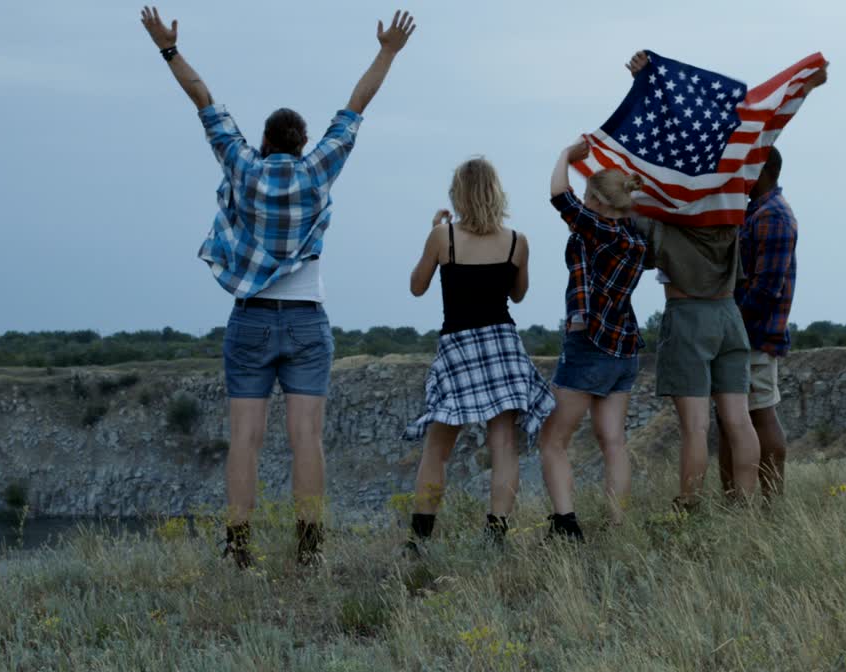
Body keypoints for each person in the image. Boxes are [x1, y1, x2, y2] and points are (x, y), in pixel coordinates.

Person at [139, 6, 416, 568]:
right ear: (303, 141)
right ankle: (309, 550)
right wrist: (387, 51)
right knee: (305, 438)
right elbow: (356, 106)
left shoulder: (242, 166)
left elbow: (204, 101)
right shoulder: (319, 170)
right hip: (308, 319)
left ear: (265, 140)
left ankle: (238, 548)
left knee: (245, 438)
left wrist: (167, 48)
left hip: (252, 319)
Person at [622, 51, 761, 509]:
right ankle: (745, 504)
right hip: (729, 315)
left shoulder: (668, 214)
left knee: (695, 427)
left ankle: (690, 509)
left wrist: (645, 88)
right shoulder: (730, 202)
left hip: (688, 317)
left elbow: (628, 191)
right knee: (739, 420)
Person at [403, 158, 554, 551]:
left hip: (459, 346)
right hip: (502, 345)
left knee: (438, 446)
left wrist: (433, 231)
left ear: (459, 194)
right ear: (495, 192)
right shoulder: (518, 241)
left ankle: (419, 540)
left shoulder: (443, 237)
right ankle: (496, 536)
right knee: (503, 446)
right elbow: (518, 295)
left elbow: (417, 287)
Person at [538, 139, 652, 540]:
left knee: (552, 439)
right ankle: (618, 524)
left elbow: (558, 194)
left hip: (590, 345)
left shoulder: (599, 229)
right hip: (624, 347)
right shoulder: (635, 240)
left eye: (588, 196)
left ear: (600, 203)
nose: (582, 202)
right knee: (614, 441)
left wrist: (565, 156)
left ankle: (566, 526)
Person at [718, 147, 797, 502]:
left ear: (763, 170)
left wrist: (733, 325)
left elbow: (767, 286)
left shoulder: (772, 216)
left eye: (747, 168)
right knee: (734, 418)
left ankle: (769, 503)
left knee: (760, 413)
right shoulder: (757, 212)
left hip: (755, 334)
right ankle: (738, 500)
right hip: (745, 333)